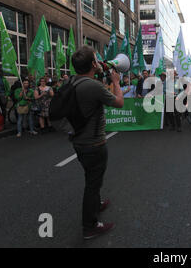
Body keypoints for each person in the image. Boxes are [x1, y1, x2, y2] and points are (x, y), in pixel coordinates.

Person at [70, 46, 124, 240]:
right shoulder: (92, 86)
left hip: (80, 141)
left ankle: (97, 203)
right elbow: (119, 102)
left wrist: (100, 73)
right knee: (93, 183)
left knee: (91, 177)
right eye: (96, 59)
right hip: (94, 143)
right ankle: (90, 226)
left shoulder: (74, 81)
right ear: (93, 64)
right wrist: (116, 82)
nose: (99, 61)